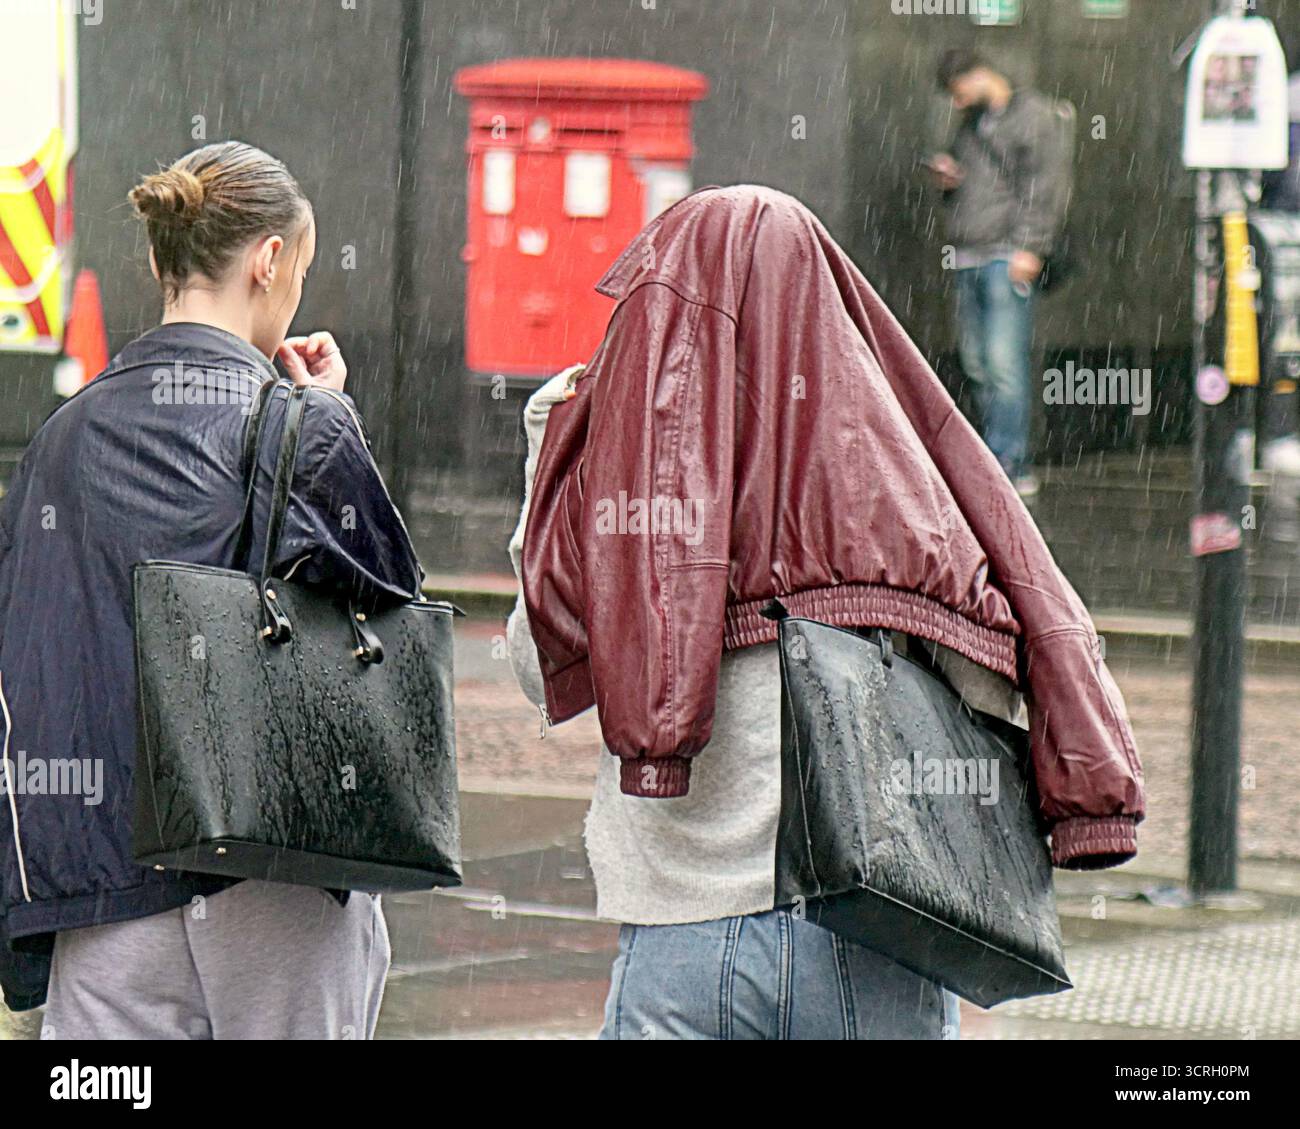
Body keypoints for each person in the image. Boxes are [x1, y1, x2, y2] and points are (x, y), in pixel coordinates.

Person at [507, 185, 1144, 1040]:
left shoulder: (633, 467)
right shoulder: (901, 478)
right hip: (870, 931)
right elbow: (993, 686)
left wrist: (554, 452)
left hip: (681, 932)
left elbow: (537, 659)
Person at [0, 142, 422, 1039]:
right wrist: (330, 418)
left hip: (102, 896)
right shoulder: (300, 426)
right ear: (269, 260)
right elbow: (391, 610)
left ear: (159, 261)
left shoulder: (60, 442)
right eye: (300, 269)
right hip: (275, 886)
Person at [928, 49, 1074, 498]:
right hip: (970, 250)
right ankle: (996, 456)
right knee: (978, 362)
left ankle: (1010, 461)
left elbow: (1045, 186)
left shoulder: (1034, 117)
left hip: (1005, 253)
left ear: (980, 75)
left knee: (1003, 362)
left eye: (959, 91)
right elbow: (978, 180)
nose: (957, 102)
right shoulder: (971, 123)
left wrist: (1031, 247)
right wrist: (951, 179)